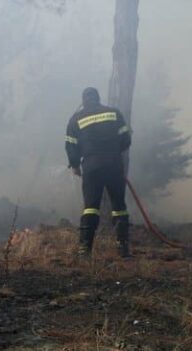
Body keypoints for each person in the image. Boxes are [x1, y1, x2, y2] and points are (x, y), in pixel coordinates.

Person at [65, 87, 132, 258]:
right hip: (114, 165)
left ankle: (84, 250)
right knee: (119, 207)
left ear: (84, 100)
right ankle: (123, 248)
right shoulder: (114, 113)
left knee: (90, 207)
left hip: (92, 167)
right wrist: (114, 153)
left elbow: (71, 146)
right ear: (98, 98)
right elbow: (126, 139)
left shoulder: (76, 119)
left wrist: (75, 165)